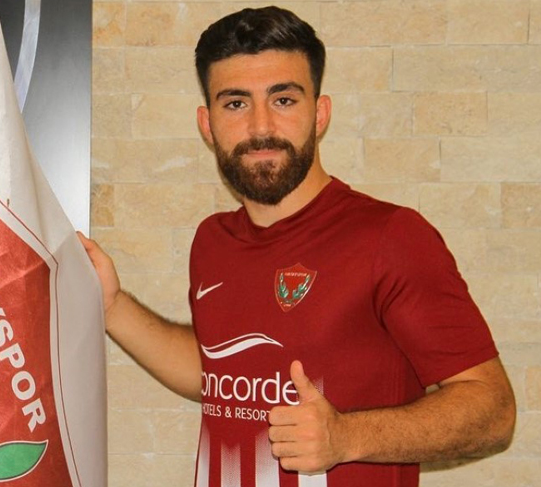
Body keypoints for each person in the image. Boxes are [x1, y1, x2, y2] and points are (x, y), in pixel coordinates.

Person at [79, 6, 516, 487]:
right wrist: (111, 306)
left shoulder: (390, 237)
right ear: (207, 124)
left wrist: (345, 437)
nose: (261, 127)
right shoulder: (212, 241)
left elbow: (493, 411)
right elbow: (221, 374)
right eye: (236, 104)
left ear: (320, 113)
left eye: (283, 100)